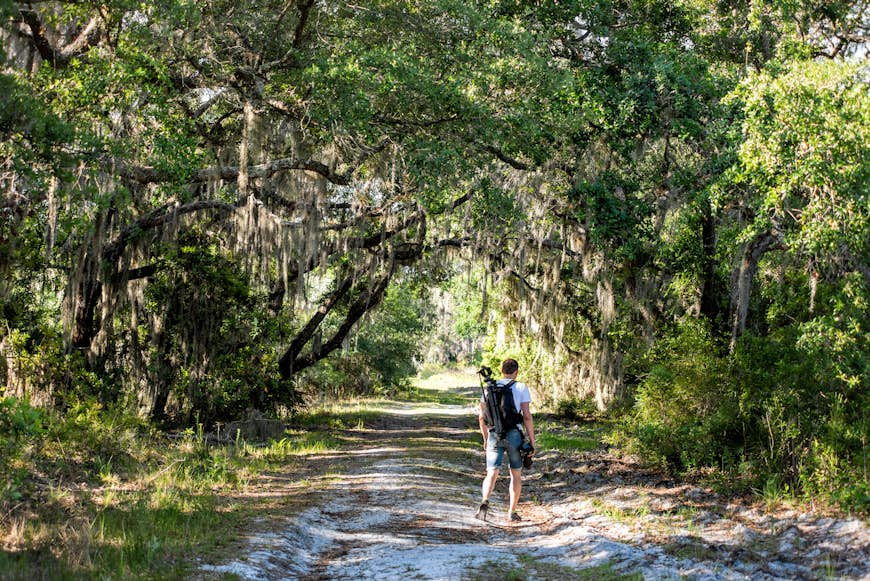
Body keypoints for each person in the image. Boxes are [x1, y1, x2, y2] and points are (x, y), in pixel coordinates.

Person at [475, 358, 536, 522]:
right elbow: (527, 416)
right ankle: (512, 511)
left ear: (501, 371)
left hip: (495, 434)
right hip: (514, 435)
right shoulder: (521, 387)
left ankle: (484, 501)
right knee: (515, 474)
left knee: (492, 472)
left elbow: (482, 417)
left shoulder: (489, 388)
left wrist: (486, 438)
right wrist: (532, 440)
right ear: (516, 371)